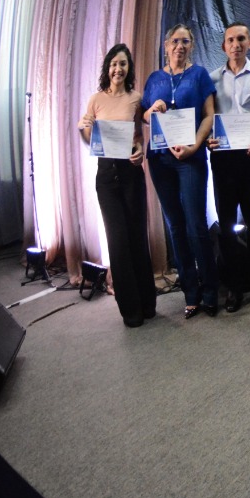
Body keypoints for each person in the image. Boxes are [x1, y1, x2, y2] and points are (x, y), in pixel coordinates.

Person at [142, 24, 218, 319]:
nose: (180, 46)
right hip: (160, 161)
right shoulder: (154, 79)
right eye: (175, 41)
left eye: (185, 41)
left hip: (190, 158)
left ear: (192, 45)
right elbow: (145, 117)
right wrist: (152, 111)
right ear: (166, 44)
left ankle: (210, 289)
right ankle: (191, 291)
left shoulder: (199, 75)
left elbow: (209, 115)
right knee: (175, 226)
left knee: (196, 225)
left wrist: (195, 145)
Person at [78, 43, 156, 327]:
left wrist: (140, 152)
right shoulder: (96, 99)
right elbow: (90, 140)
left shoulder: (136, 98)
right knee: (118, 243)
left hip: (131, 174)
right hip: (106, 177)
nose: (118, 69)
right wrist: (83, 128)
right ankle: (130, 311)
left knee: (137, 239)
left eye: (123, 64)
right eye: (114, 64)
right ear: (107, 68)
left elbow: (139, 137)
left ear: (128, 68)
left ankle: (148, 304)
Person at [207, 22, 250, 313]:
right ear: (224, 46)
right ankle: (234, 287)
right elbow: (207, 120)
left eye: (241, 39)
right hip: (222, 159)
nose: (236, 44)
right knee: (225, 223)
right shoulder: (211, 79)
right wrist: (207, 139)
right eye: (230, 40)